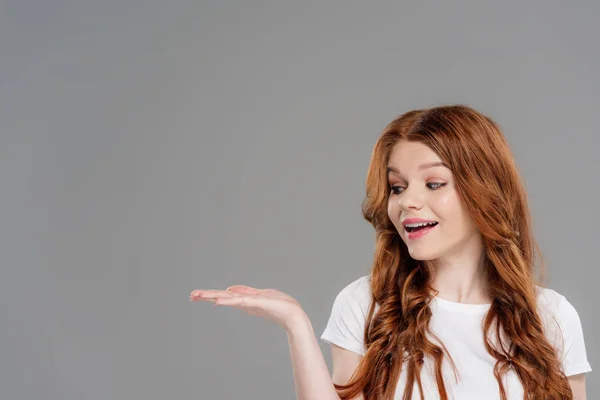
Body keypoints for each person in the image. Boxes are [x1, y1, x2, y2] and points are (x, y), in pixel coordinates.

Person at [190, 105, 592, 399]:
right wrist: (297, 325)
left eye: (434, 183)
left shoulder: (551, 317)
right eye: (397, 187)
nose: (406, 203)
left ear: (484, 191)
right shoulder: (366, 303)